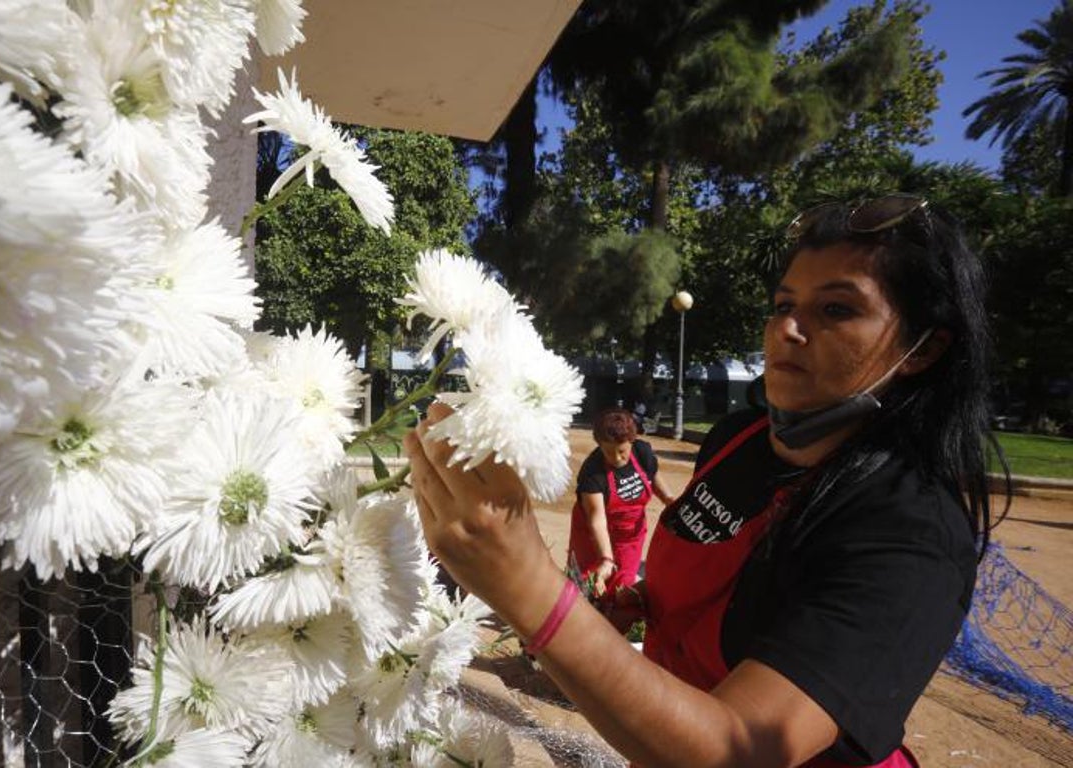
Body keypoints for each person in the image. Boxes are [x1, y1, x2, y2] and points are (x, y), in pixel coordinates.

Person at [404, 194, 1007, 767]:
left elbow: (736, 751)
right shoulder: (738, 440)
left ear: (924, 349)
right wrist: (637, 614)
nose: (788, 329)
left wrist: (530, 588)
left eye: (836, 309)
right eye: (783, 305)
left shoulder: (910, 533)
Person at [568, 408, 675, 600]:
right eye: (608, 452)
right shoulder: (592, 473)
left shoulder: (642, 453)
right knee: (586, 587)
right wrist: (606, 559)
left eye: (622, 451)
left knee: (622, 589)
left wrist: (669, 500)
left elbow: (654, 477)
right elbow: (597, 519)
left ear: (631, 442)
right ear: (599, 445)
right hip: (592, 536)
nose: (616, 458)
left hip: (630, 536)